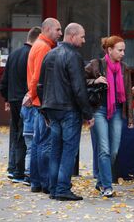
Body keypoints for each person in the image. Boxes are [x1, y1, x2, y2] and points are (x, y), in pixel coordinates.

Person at [38, 23, 95, 201]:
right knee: (69, 150)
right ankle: (62, 188)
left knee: (56, 149)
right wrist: (88, 114)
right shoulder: (73, 56)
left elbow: (40, 86)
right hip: (68, 109)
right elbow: (79, 89)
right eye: (82, 36)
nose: (84, 40)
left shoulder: (49, 55)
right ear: (72, 36)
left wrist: (45, 111)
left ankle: (54, 187)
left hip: (52, 108)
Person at [85, 35, 134, 197]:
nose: (122, 53)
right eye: (120, 50)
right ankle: (107, 186)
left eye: (124, 50)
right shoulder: (96, 64)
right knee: (104, 149)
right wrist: (95, 81)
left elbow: (128, 94)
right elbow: (80, 81)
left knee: (114, 150)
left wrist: (131, 118)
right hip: (99, 110)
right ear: (110, 50)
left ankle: (100, 181)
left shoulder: (125, 68)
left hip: (118, 111)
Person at [23, 17, 62, 194]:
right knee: (45, 143)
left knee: (39, 143)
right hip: (42, 103)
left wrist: (31, 95)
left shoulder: (38, 45)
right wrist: (32, 95)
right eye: (58, 30)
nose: (60, 33)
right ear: (47, 30)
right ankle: (45, 183)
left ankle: (36, 182)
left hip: (38, 101)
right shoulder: (44, 48)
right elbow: (37, 78)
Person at [0, 26, 42, 184]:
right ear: (37, 38)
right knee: (25, 135)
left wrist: (7, 99)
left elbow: (4, 81)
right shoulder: (33, 55)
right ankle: (20, 171)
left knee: (15, 133)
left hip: (13, 99)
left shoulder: (13, 54)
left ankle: (12, 169)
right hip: (27, 99)